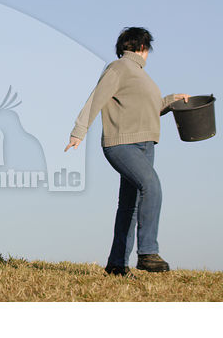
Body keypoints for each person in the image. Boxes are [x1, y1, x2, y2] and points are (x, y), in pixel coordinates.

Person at [65, 27, 189, 276]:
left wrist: (173, 100)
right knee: (151, 185)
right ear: (143, 47)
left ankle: (116, 266)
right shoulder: (119, 68)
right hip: (122, 144)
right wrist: (79, 131)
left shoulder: (142, 76)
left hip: (145, 145)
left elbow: (151, 107)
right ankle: (147, 253)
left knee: (130, 206)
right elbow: (96, 99)